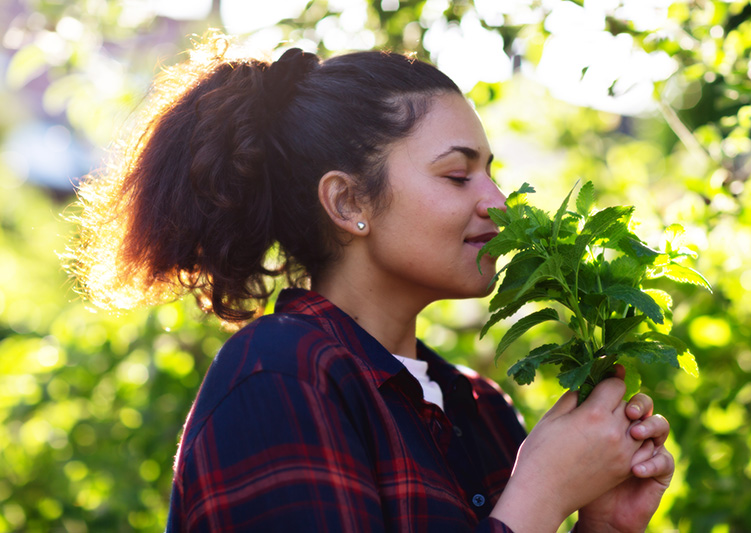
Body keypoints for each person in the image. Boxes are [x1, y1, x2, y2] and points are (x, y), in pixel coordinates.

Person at [71, 34, 674, 532]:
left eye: (492, 172)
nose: (499, 203)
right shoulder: (278, 375)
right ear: (348, 200)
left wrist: (602, 526)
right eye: (458, 174)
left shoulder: (482, 408)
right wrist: (541, 493)